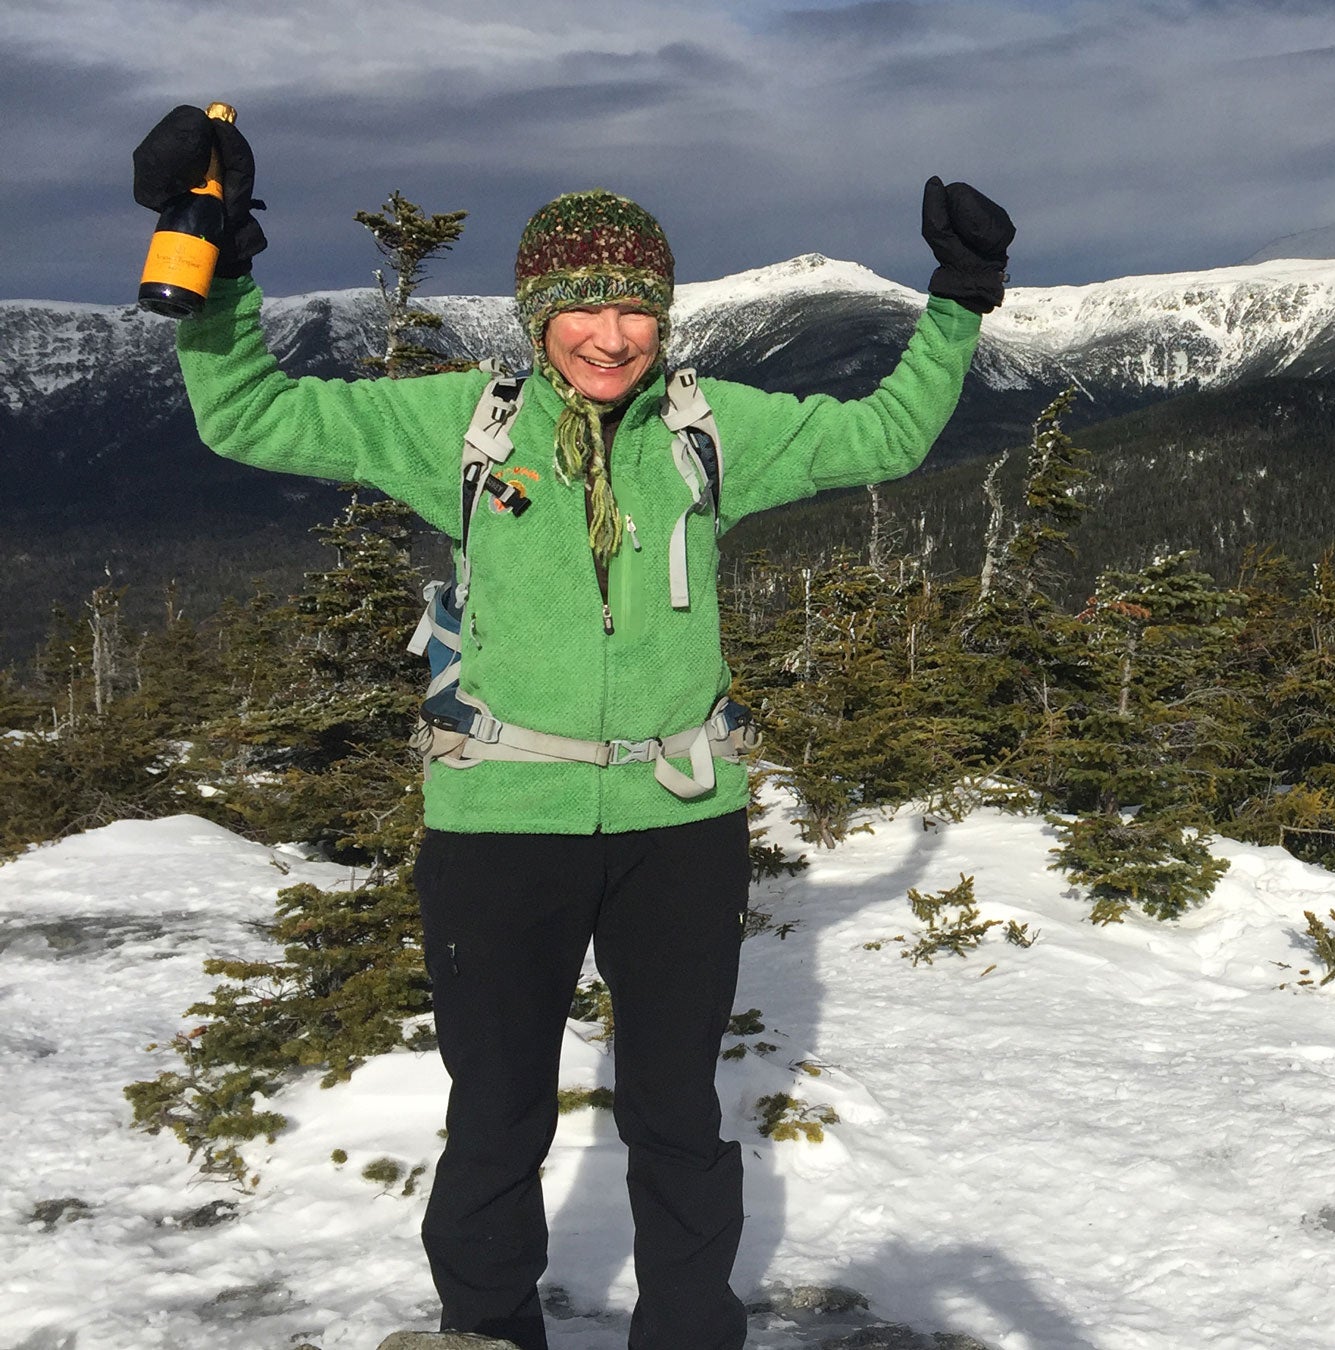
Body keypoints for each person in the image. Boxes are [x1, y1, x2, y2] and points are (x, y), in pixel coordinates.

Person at [134, 105, 1014, 1350]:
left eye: (636, 307)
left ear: (665, 315)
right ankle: (488, 1331)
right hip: (498, 825)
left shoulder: (709, 429)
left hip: (681, 822)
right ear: (535, 313)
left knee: (676, 1116)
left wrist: (959, 300)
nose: (611, 334)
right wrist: (217, 266)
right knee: (497, 1116)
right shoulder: (461, 423)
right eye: (582, 306)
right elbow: (249, 415)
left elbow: (888, 433)